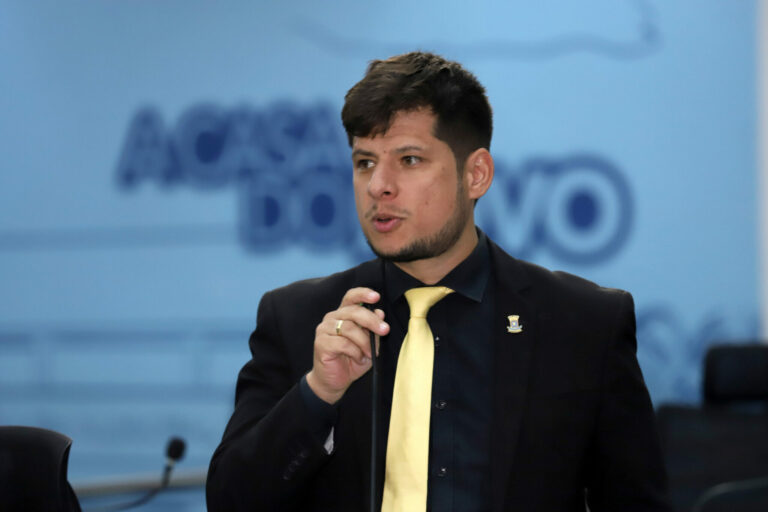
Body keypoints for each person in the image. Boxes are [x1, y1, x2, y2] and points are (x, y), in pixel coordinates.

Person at [206, 51, 670, 511]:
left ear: (476, 175)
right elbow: (230, 502)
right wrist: (317, 394)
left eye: (409, 160)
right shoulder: (300, 319)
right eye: (365, 162)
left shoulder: (583, 324)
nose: (378, 186)